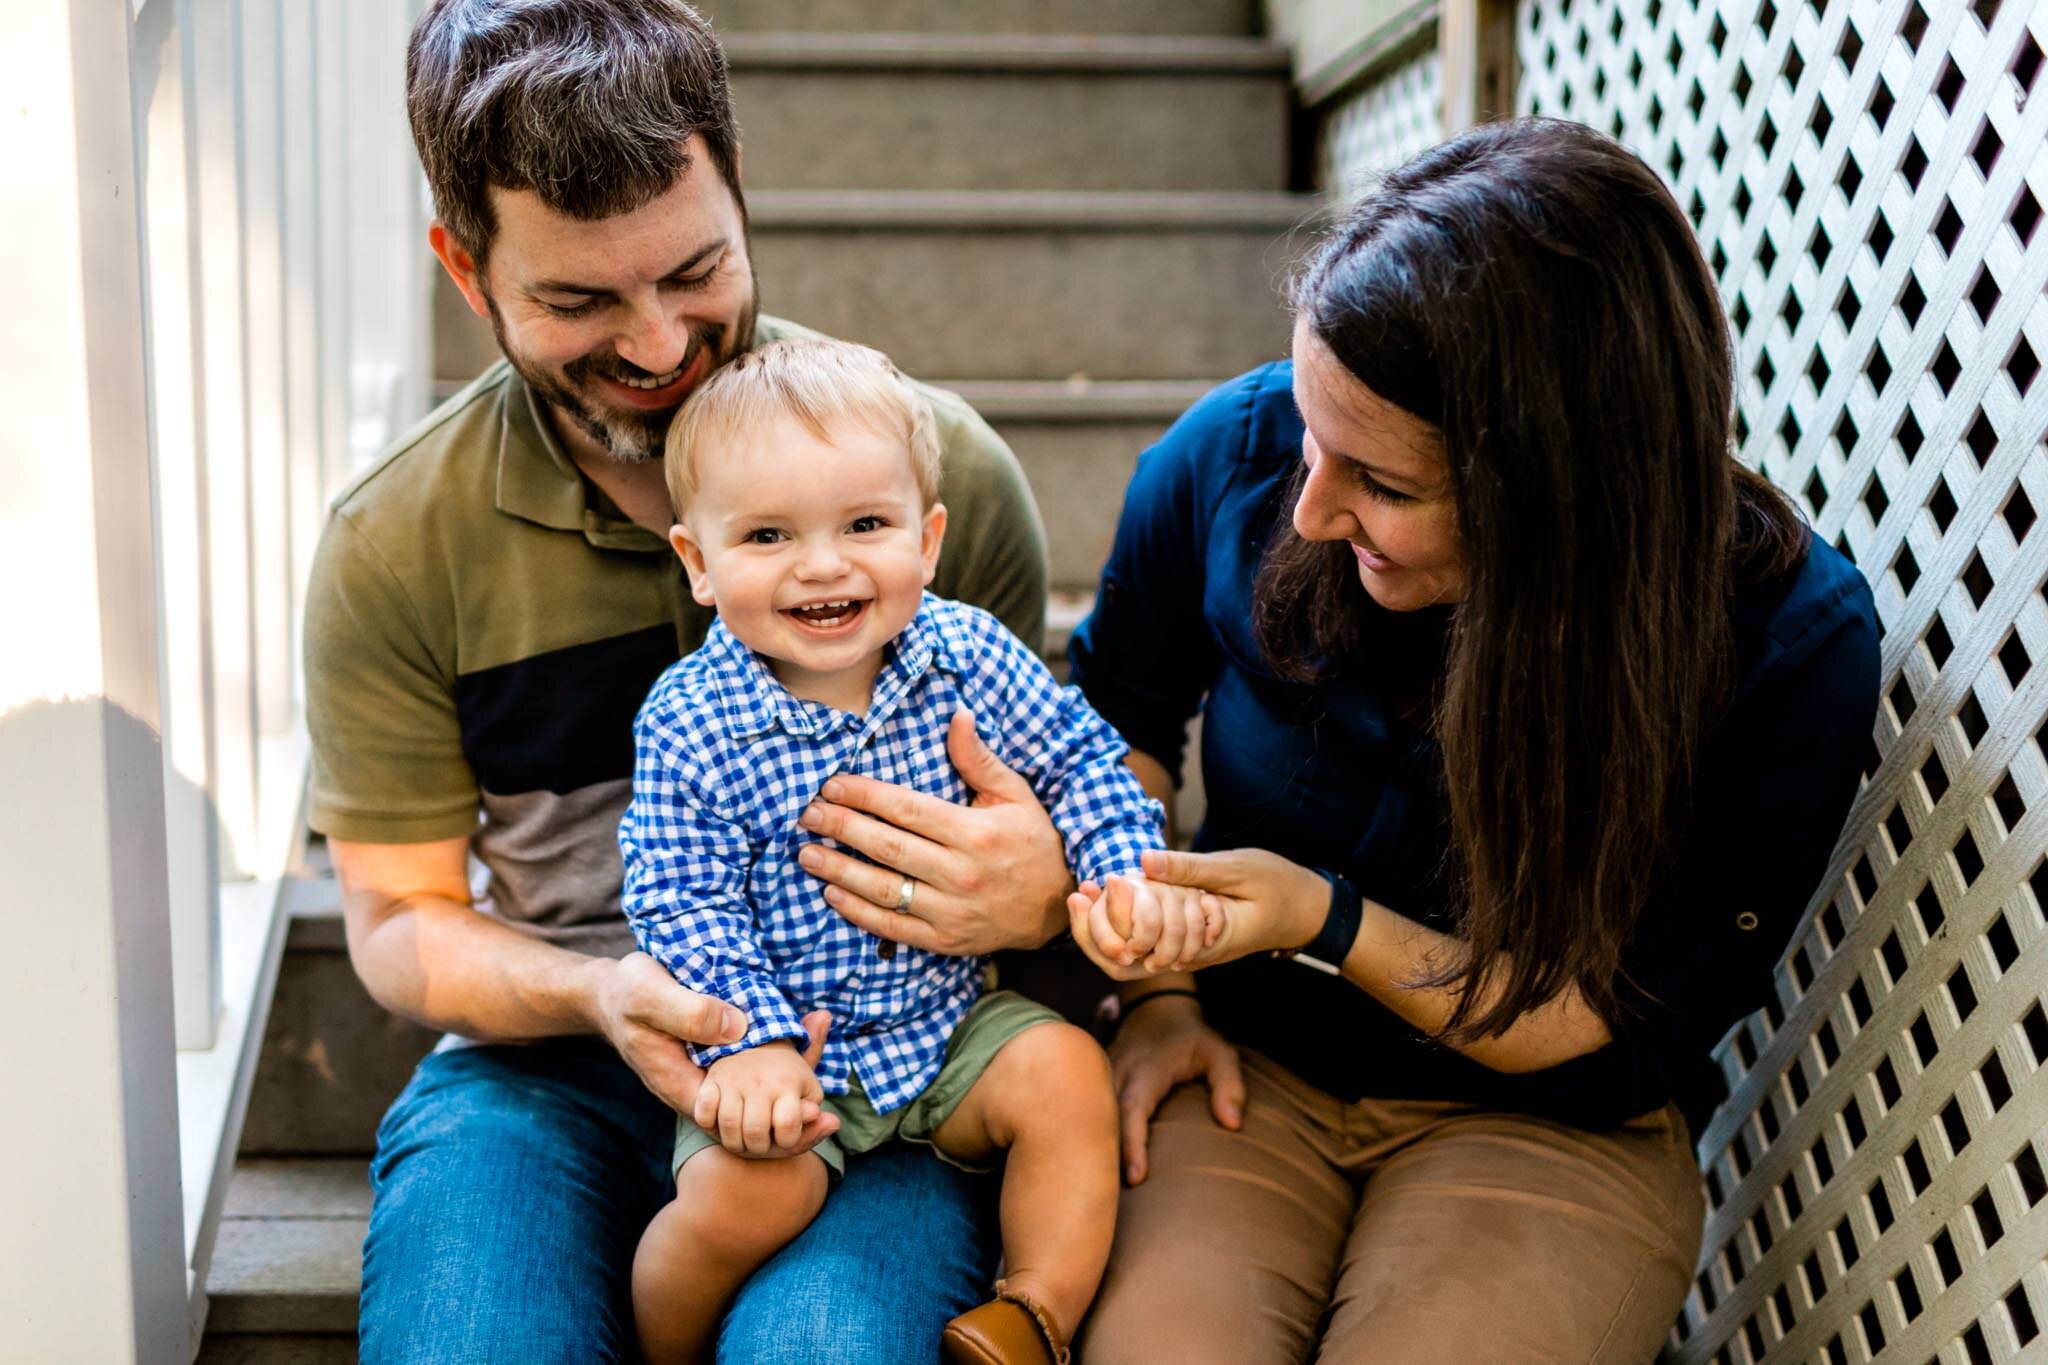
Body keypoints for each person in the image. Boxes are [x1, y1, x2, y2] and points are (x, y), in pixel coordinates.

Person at [304, 3, 1071, 1360]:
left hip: (877, 1053)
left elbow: (1051, 788)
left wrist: (1044, 885)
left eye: (695, 271)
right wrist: (597, 995)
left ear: (737, 194)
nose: (658, 347)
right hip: (553, 1063)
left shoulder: (935, 478)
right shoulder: (395, 542)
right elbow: (396, 920)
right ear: (466, 271)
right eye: (579, 299)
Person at [1049, 118, 1883, 1361]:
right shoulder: (1238, 451)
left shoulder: (1783, 642)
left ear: (1555, 490)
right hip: (1245, 1068)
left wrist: (1320, 918)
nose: (1312, 506)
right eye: (1311, 431)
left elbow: (1618, 1022)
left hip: (1545, 1120)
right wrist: (1157, 992)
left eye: (1380, 484)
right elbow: (1111, 720)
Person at [620, 338, 1210, 1364]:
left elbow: (1078, 764)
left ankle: (1029, 1315)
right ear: (697, 564)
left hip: (944, 1026)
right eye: (766, 535)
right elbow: (680, 900)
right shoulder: (689, 720)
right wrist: (748, 1044)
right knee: (740, 1201)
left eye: (864, 524)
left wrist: (1116, 866)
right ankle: (662, 1349)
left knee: (1066, 1073)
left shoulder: (966, 654)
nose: (822, 564)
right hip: (780, 1050)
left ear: (926, 539)